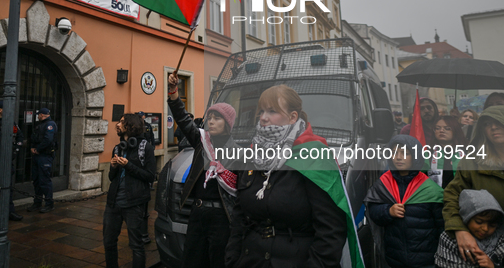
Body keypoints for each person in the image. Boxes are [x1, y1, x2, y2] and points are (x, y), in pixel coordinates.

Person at [226, 84, 348, 268]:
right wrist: (232, 260)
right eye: (262, 111)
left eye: (272, 111)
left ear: (293, 117)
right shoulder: (253, 154)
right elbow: (239, 217)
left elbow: (330, 231)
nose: (264, 118)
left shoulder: (314, 156)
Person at [168, 73, 239, 268]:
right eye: (210, 117)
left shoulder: (238, 153)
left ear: (228, 124)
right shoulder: (202, 142)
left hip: (222, 219)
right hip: (197, 214)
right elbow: (183, 120)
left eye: (217, 118)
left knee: (218, 261)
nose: (212, 122)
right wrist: (174, 93)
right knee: (192, 260)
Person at [365, 134, 444, 268]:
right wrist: (388, 211)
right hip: (394, 259)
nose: (399, 157)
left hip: (426, 259)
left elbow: (442, 225)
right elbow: (373, 213)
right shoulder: (384, 183)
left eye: (405, 153)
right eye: (394, 152)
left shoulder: (429, 188)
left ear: (416, 157)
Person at [443, 105, 504, 264]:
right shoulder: (472, 161)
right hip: (485, 243)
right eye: (487, 124)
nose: (493, 127)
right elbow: (452, 195)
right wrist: (459, 229)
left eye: (498, 121)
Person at [104, 114, 155, 268]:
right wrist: (113, 167)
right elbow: (111, 177)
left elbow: (150, 176)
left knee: (136, 245)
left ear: (130, 125)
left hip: (134, 203)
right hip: (113, 203)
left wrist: (128, 165)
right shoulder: (118, 147)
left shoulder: (145, 147)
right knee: (108, 242)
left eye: (121, 122)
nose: (118, 125)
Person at [436, 189, 504, 268]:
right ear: (466, 218)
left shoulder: (500, 239)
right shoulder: (449, 239)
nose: (485, 228)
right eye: (479, 222)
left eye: (492, 225)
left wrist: (493, 266)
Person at [26, 108, 56, 213]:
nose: (37, 116)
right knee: (37, 180)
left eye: (38, 115)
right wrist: (32, 148)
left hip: (45, 155)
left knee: (44, 181)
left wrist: (38, 149)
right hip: (38, 155)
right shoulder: (39, 125)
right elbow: (34, 138)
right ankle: (37, 202)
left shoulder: (50, 125)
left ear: (42, 115)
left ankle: (49, 204)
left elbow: (48, 140)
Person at [427, 115, 468, 189]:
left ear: (455, 130)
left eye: (447, 128)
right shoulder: (428, 153)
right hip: (435, 196)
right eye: (437, 128)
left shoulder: (466, 152)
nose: (441, 130)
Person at [136, 111, 155, 244]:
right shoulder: (135, 129)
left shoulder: (147, 126)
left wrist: (152, 147)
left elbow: (152, 137)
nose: (143, 117)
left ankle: (143, 234)